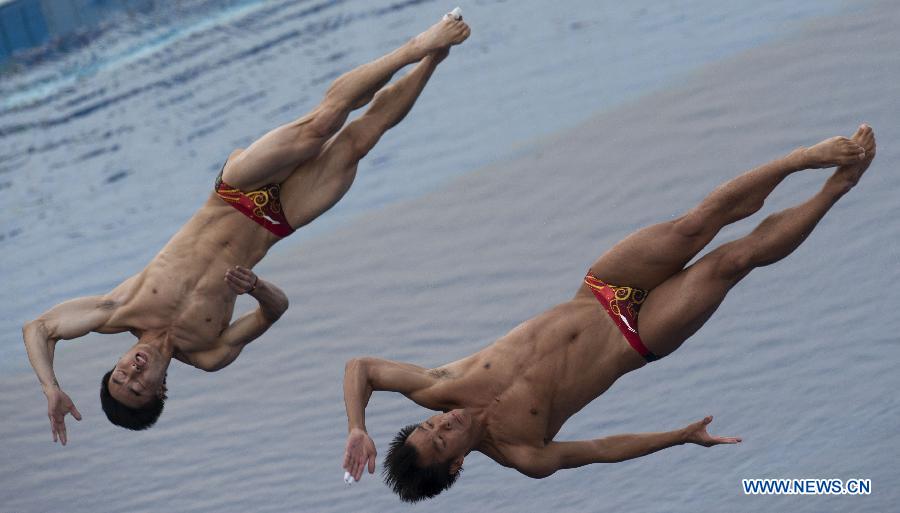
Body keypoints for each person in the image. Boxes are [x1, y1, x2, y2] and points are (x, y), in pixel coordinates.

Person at [340, 125, 876, 502]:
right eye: (441, 440)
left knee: (697, 225)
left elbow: (361, 367)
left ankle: (801, 159)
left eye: (430, 426)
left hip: (602, 290)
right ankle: (838, 187)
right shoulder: (522, 452)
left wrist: (357, 427)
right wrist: (679, 436)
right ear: (455, 464)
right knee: (730, 262)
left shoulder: (439, 387)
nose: (443, 424)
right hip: (637, 338)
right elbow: (600, 450)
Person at [22, 13, 471, 443]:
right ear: (160, 391)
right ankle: (436, 58)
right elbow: (276, 310)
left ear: (117, 361)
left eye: (120, 374)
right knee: (360, 140)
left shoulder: (120, 310)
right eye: (138, 387)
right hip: (275, 222)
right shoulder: (208, 352)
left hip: (233, 192)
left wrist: (50, 387)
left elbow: (38, 328)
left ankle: (418, 46)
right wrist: (256, 287)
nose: (133, 372)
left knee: (321, 124)